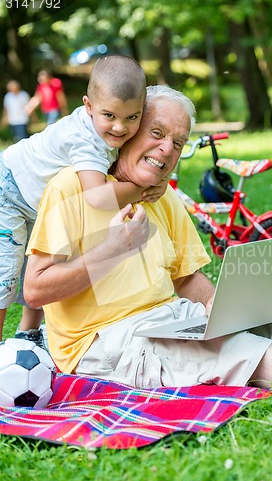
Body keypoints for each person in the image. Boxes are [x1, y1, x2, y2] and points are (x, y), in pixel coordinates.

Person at [24, 84, 272, 391]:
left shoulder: (162, 194)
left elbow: (185, 279)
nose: (167, 149)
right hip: (103, 341)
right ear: (127, 130)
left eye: (179, 142)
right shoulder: (70, 189)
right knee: (239, 353)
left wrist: (216, 305)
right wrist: (111, 251)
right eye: (156, 133)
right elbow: (35, 290)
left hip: (169, 318)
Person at [0, 56, 167, 346]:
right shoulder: (84, 140)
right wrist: (142, 186)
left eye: (132, 117)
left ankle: (28, 334)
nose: (119, 128)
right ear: (88, 106)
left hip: (34, 199)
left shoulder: (107, 128)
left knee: (48, 260)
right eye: (109, 116)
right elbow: (96, 197)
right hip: (10, 192)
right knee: (6, 273)